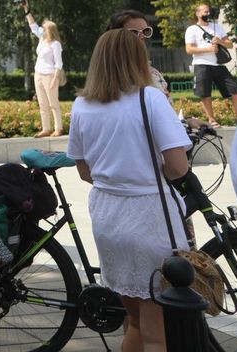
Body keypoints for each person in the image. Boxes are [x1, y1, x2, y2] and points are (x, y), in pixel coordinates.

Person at [67, 29, 190, 352]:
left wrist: (117, 180)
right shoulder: (148, 97)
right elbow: (178, 166)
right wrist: (146, 177)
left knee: (134, 323)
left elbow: (83, 169)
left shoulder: (82, 104)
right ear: (137, 59)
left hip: (107, 215)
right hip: (148, 215)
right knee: (157, 333)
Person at [185, 3, 237, 127]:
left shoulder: (216, 27)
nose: (208, 14)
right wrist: (208, 49)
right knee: (205, 93)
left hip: (218, 65)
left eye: (208, 12)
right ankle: (212, 119)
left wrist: (220, 41)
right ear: (197, 13)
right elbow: (189, 50)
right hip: (201, 65)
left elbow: (230, 45)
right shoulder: (191, 29)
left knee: (235, 90)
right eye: (205, 12)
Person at [24, 0, 65, 137]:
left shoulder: (55, 44)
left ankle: (58, 128)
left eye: (45, 28)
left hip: (49, 75)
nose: (42, 29)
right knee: (42, 104)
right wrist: (26, 10)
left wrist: (55, 79)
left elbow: (59, 64)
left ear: (50, 31)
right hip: (38, 74)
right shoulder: (42, 39)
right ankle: (46, 128)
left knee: (53, 103)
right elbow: (33, 26)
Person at [107, 10, 171, 96]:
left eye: (146, 31)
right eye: (133, 32)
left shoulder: (154, 74)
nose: (141, 37)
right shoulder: (106, 75)